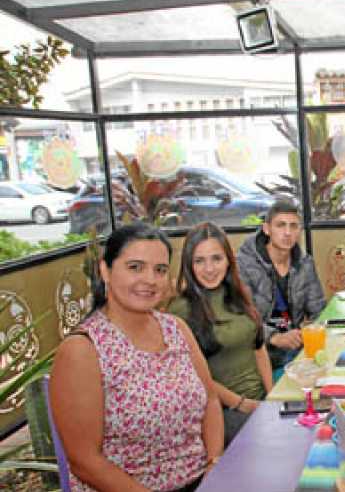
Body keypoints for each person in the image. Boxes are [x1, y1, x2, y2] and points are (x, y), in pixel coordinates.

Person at [50, 223, 223, 492]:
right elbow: (84, 461)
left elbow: (210, 400)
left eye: (160, 270)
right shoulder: (83, 350)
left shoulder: (176, 328)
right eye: (135, 267)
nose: (150, 280)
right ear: (105, 271)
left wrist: (215, 464)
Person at [169, 222, 273, 447]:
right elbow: (193, 375)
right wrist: (241, 403)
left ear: (228, 259)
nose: (209, 269)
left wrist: (273, 396)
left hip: (259, 400)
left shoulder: (238, 295)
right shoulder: (180, 310)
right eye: (199, 261)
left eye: (216, 258)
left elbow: (258, 347)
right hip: (223, 411)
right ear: (189, 265)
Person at [237, 198, 325, 379]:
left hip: (297, 352)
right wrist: (274, 337)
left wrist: (310, 332)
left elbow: (318, 311)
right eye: (280, 225)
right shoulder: (244, 264)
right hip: (260, 355)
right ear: (266, 229)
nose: (287, 233)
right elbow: (239, 317)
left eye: (294, 226)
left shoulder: (305, 263)